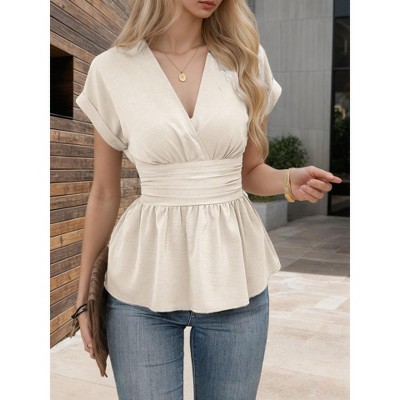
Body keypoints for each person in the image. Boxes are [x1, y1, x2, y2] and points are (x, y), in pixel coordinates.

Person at [74, 0, 342, 398]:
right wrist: (83, 295)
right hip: (140, 283)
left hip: (233, 276)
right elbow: (104, 192)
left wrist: (288, 179)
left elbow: (250, 171)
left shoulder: (246, 60)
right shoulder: (111, 69)